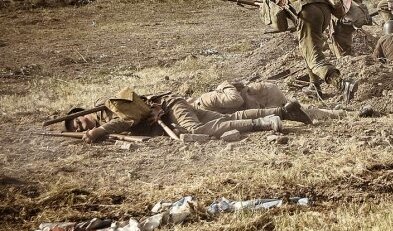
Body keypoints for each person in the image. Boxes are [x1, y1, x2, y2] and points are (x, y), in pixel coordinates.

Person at [261, 0, 358, 102]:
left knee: (314, 58)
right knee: (309, 49)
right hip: (325, 11)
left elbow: (279, 23)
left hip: (307, 11)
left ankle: (342, 84)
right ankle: (314, 86)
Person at [65, 88, 283, 143]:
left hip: (170, 107)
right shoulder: (108, 124)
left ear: (81, 113)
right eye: (75, 129)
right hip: (169, 116)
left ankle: (262, 123)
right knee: (223, 120)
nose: (79, 127)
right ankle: (278, 113)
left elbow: (128, 118)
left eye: (77, 121)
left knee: (196, 129)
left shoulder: (107, 106)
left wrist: (99, 130)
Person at [193, 81, 347, 122]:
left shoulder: (204, 100)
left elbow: (235, 100)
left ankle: (343, 113)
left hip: (263, 95)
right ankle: (343, 113)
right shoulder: (203, 113)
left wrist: (226, 84)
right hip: (259, 105)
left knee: (301, 111)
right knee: (305, 111)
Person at [301, 0, 371, 57]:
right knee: (344, 35)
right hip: (359, 14)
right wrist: (354, 6)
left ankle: (344, 60)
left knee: (337, 41)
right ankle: (348, 56)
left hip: (341, 18)